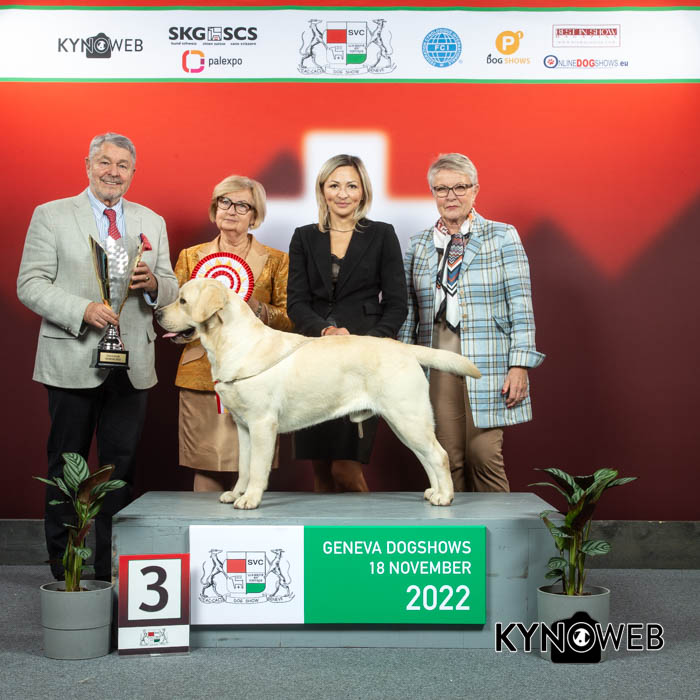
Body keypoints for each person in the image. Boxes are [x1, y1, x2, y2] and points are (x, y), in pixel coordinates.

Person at [17, 132, 178, 581]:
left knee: (120, 470)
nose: (113, 172)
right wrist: (81, 310)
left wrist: (155, 286)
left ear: (133, 172)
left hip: (133, 362)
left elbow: (170, 287)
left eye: (123, 165)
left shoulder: (151, 221)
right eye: (104, 162)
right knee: (65, 466)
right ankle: (64, 570)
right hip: (72, 358)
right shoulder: (51, 215)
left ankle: (111, 570)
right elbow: (30, 283)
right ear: (87, 165)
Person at [398, 153, 545, 492]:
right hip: (436, 357)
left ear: (475, 190)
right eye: (441, 189)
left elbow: (521, 304)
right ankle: (451, 523)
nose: (451, 196)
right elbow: (408, 311)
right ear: (433, 193)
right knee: (445, 457)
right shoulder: (418, 244)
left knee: (483, 454)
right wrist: (403, 365)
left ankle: (499, 526)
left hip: (488, 358)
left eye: (460, 187)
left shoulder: (502, 236)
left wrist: (520, 364)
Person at [287, 154, 407, 492]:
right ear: (322, 190)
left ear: (363, 191)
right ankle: (326, 530)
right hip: (312, 360)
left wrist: (368, 342)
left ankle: (364, 527)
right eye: (334, 185)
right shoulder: (304, 237)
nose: (343, 194)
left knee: (345, 468)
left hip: (362, 362)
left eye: (351, 186)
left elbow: (397, 304)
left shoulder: (382, 234)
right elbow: (296, 302)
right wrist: (325, 331)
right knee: (321, 471)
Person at [173, 175, 292, 492]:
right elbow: (178, 314)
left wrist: (255, 307)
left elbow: (289, 320)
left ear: (255, 215)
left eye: (242, 205)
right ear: (215, 208)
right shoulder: (190, 256)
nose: (231, 210)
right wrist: (185, 331)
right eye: (224, 202)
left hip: (257, 378)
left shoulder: (277, 261)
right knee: (206, 467)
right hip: (202, 375)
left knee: (252, 473)